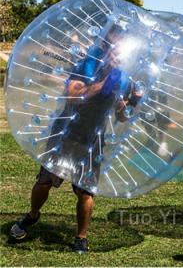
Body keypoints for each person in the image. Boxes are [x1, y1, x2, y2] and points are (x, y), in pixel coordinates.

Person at [10, 25, 142, 253]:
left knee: (86, 191)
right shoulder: (87, 65)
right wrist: (103, 81)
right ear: (104, 44)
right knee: (45, 181)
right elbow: (72, 96)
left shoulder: (123, 78)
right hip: (66, 132)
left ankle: (81, 237)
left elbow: (120, 117)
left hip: (93, 138)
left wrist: (132, 102)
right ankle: (32, 216)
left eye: (120, 46)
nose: (116, 50)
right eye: (111, 44)